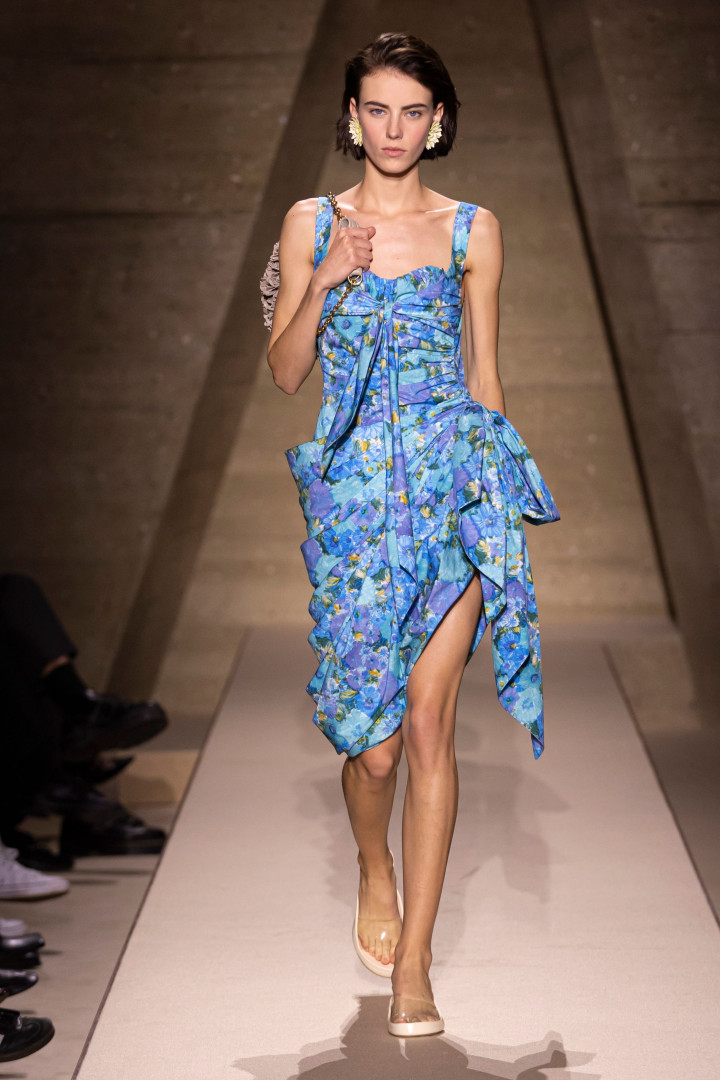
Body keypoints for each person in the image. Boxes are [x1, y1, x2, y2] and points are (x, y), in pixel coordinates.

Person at [266, 31, 559, 1037]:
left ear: (438, 123)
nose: (394, 128)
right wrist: (327, 278)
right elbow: (286, 374)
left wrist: (499, 509)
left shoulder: (473, 229)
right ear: (353, 118)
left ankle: (418, 966)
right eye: (378, 109)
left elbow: (486, 376)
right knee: (378, 751)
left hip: (452, 496)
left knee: (430, 727)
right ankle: (373, 864)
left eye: (414, 111)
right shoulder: (311, 222)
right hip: (355, 507)